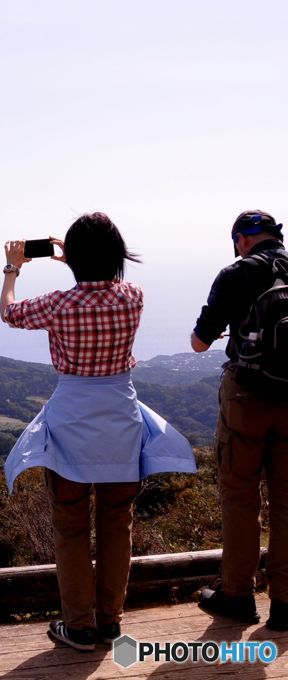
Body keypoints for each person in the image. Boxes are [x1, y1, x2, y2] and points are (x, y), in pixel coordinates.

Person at [0, 212, 196, 651]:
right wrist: (75, 257)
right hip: (121, 420)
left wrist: (14, 268)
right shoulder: (133, 297)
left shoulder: (58, 304)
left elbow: (9, 313)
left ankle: (79, 626)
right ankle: (110, 621)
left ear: (73, 257)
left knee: (70, 529)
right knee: (116, 525)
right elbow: (102, 277)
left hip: (71, 419)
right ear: (116, 253)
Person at [191, 209, 288, 629]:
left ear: (242, 239)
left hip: (246, 398)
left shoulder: (237, 273)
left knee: (241, 497)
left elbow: (198, 343)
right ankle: (284, 604)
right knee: (287, 500)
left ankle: (238, 596)